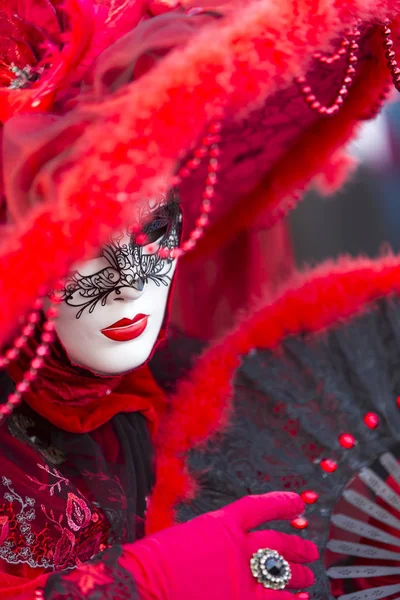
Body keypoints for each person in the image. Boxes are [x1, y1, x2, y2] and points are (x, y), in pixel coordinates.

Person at [0, 0, 400, 598]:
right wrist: (143, 582)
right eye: (88, 235)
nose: (131, 279)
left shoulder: (212, 395)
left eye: (155, 228)